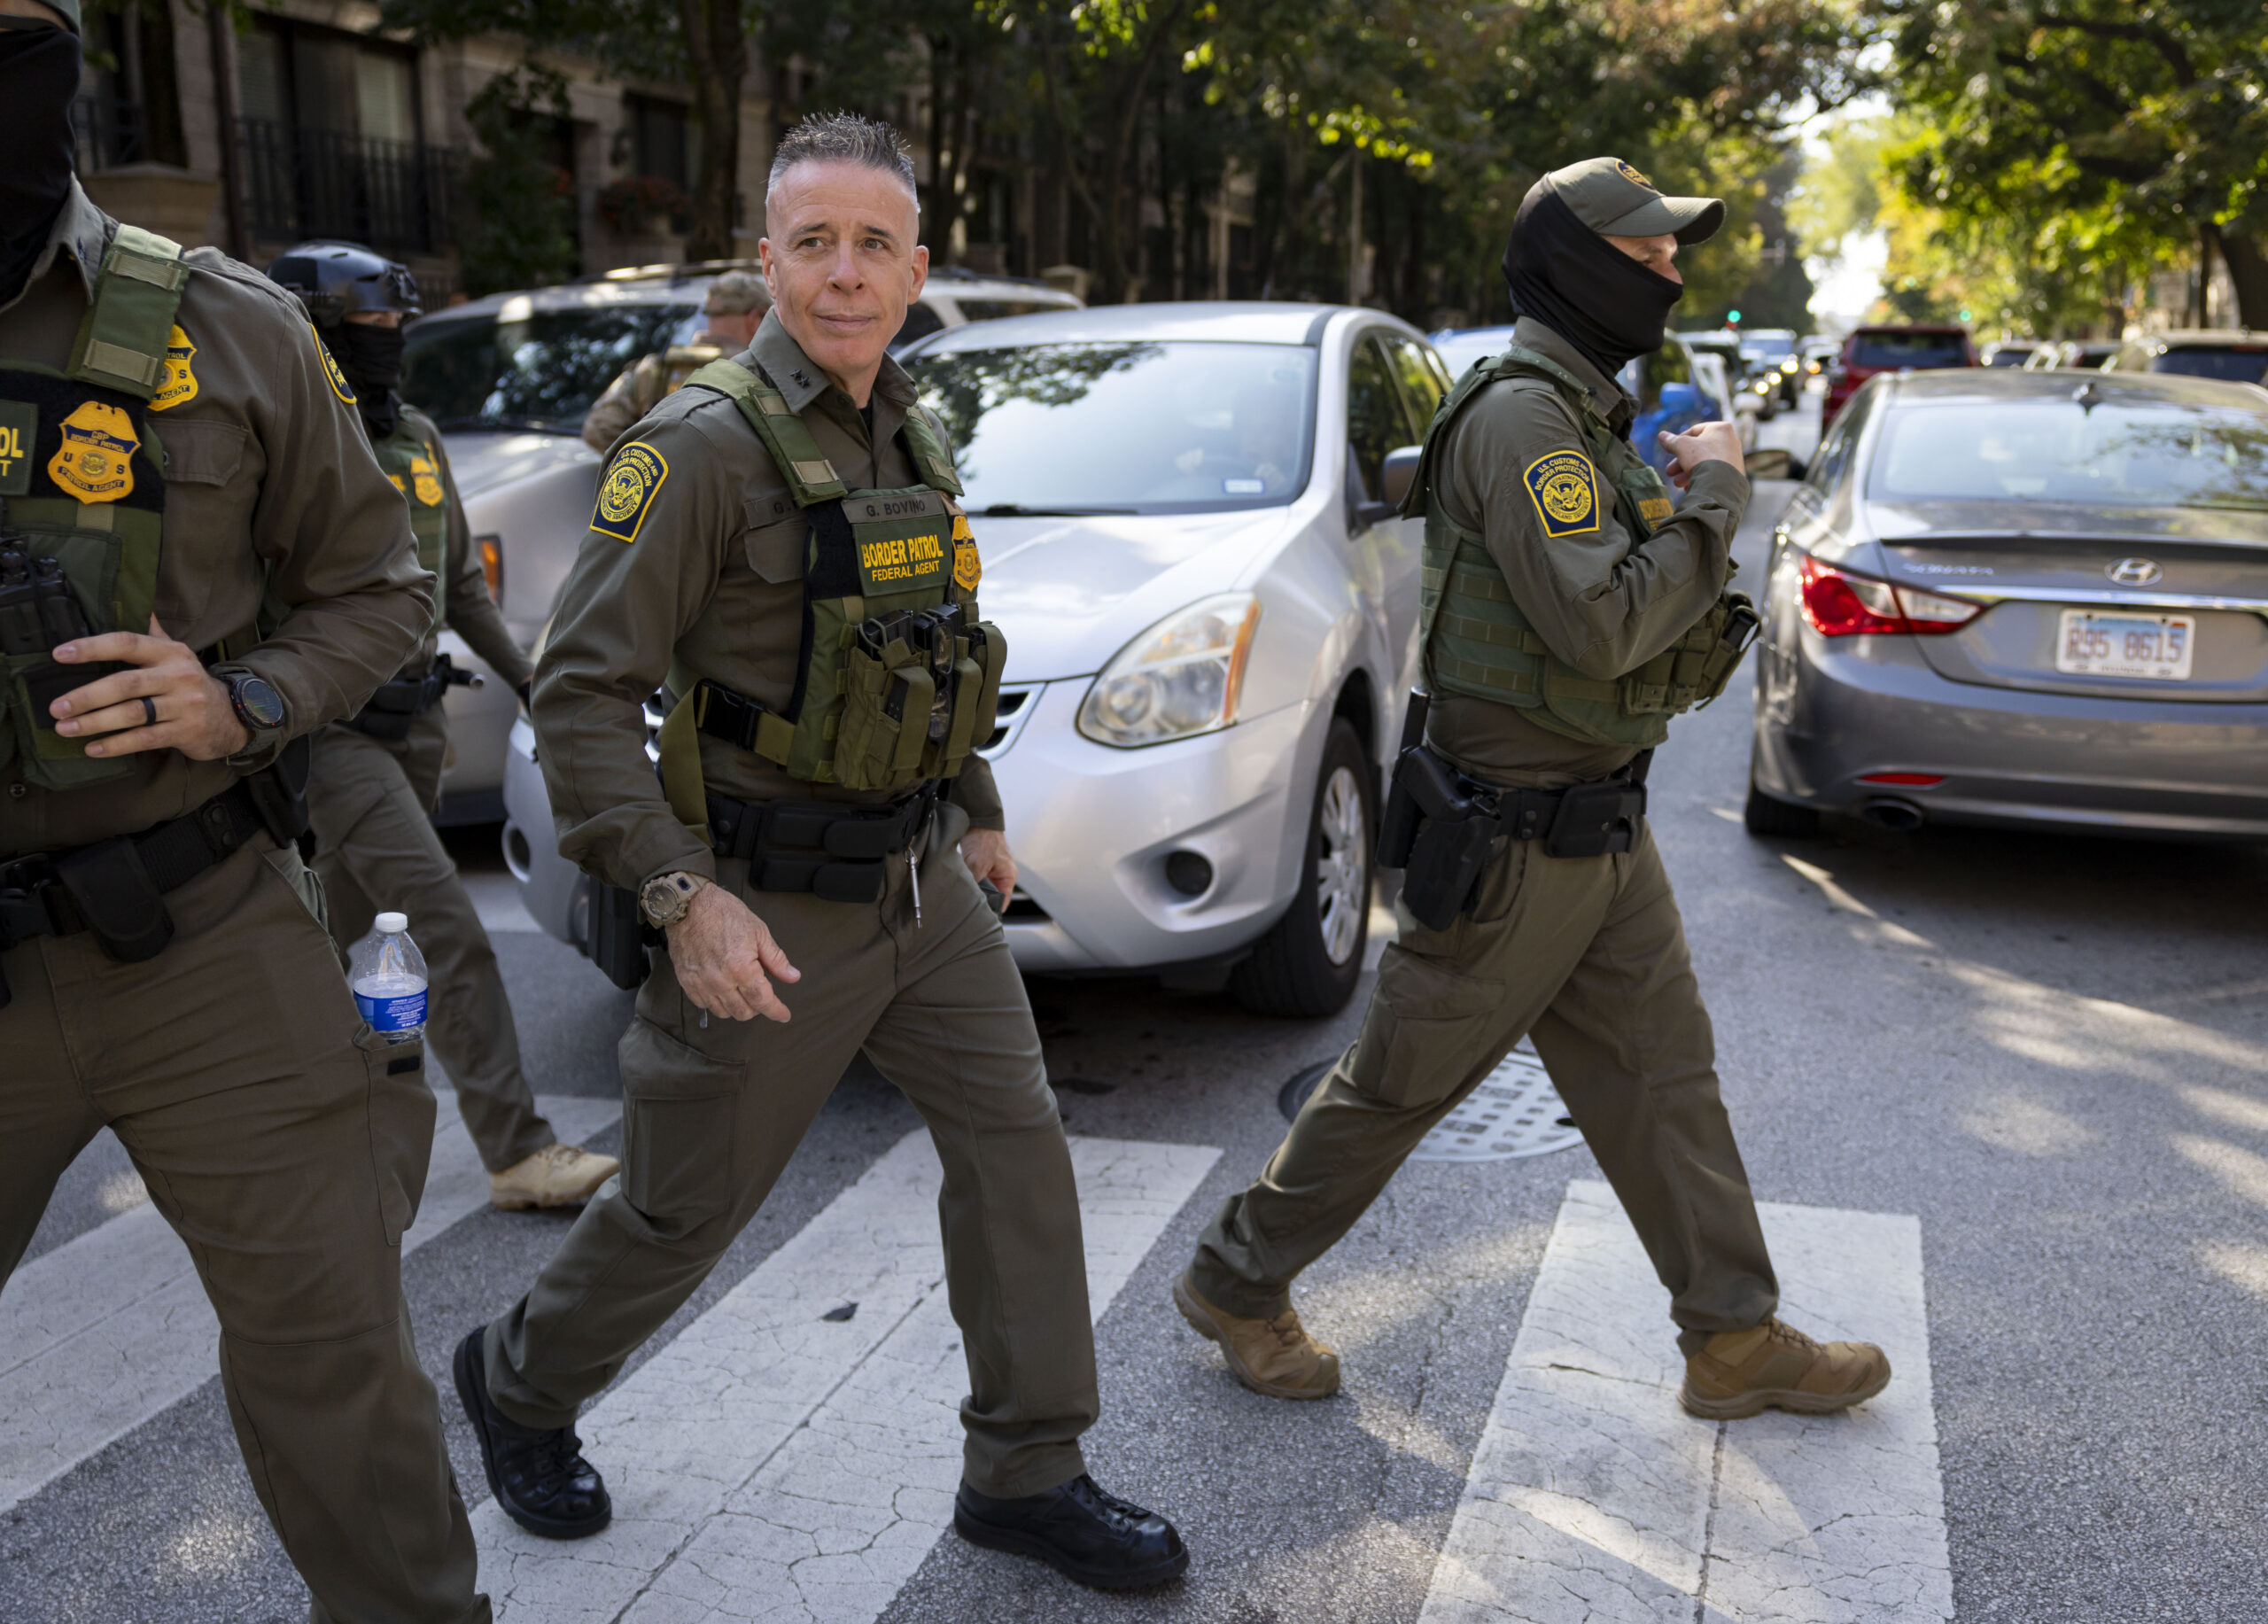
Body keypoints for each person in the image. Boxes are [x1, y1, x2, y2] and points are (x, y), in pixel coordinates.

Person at [453, 112, 1187, 1590]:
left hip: (924, 886)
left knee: (1017, 1154)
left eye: (873, 244)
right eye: (813, 243)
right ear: (770, 260)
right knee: (681, 1210)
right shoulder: (698, 447)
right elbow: (582, 691)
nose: (844, 272)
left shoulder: (907, 425)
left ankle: (1026, 1468)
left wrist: (978, 804)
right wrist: (680, 897)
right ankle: (519, 1380)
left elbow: (928, 641)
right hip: (765, 905)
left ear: (915, 268)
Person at [1174, 157, 1892, 1422]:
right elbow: (1603, 625)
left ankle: (1732, 1336)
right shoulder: (1521, 421)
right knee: (1400, 1084)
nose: (1669, 273)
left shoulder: (1580, 418)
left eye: (1670, 253)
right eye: (1646, 254)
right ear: (1573, 266)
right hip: (1513, 841)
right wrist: (1719, 496)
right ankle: (1238, 1278)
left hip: (1600, 817)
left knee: (1665, 1077)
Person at [0, 4, 489, 1620]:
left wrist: (244, 699)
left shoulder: (223, 323)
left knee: (334, 1349)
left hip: (201, 927)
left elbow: (380, 587)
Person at [268, 241, 620, 1210]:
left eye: (397, 326)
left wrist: (532, 681)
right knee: (443, 930)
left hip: (415, 726)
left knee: (359, 942)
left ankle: (344, 1123)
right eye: (368, 327)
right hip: (332, 734)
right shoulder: (284, 438)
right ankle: (518, 1150)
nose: (388, 341)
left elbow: (458, 583)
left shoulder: (417, 436)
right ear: (317, 331)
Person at [579, 269, 769, 453]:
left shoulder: (654, 368)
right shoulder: (761, 371)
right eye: (767, 316)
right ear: (754, 319)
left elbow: (597, 428)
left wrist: (651, 460)